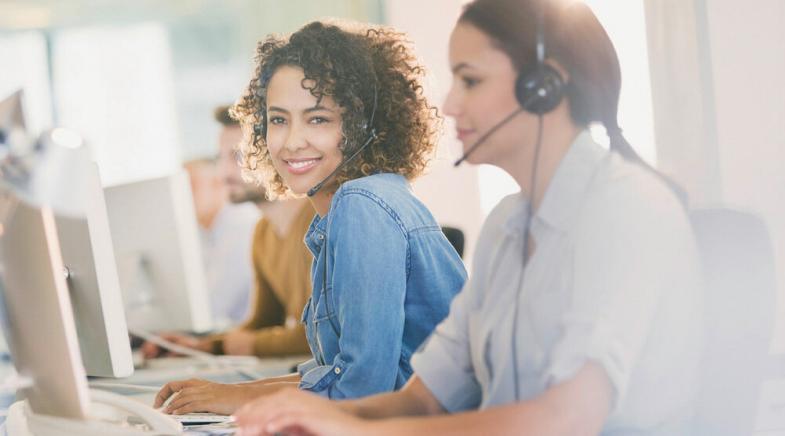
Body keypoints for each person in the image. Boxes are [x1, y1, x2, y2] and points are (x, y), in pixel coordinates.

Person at [231, 1, 704, 435]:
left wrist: (361, 430)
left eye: (470, 80)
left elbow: (567, 416)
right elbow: (423, 399)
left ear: (544, 87)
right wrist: (293, 414)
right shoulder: (507, 224)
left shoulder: (627, 209)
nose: (450, 103)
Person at [153, 20, 467, 415]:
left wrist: (235, 397)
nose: (290, 141)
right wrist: (225, 392)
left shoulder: (363, 204)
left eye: (318, 118)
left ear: (364, 128)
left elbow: (362, 391)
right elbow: (338, 374)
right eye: (278, 119)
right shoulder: (342, 211)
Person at [142, 106, 314, 359]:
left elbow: (324, 337)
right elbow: (262, 324)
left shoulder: (320, 223)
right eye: (221, 158)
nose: (222, 174)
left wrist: (241, 345)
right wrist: (199, 346)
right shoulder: (263, 233)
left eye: (238, 157)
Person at [184, 157, 259, 327]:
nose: (181, 195)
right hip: (224, 331)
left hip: (247, 336)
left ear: (218, 186)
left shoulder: (241, 223)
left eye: (191, 186)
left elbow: (213, 306)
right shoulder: (203, 231)